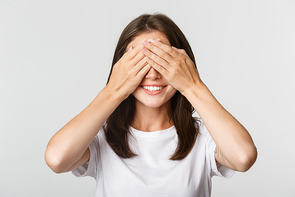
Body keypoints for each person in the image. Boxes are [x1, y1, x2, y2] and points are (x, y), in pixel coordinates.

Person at [45, 13, 257, 197]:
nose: (153, 74)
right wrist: (114, 90)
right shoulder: (102, 138)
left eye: (163, 61)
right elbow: (57, 159)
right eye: (140, 63)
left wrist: (192, 86)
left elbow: (243, 157)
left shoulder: (204, 137)